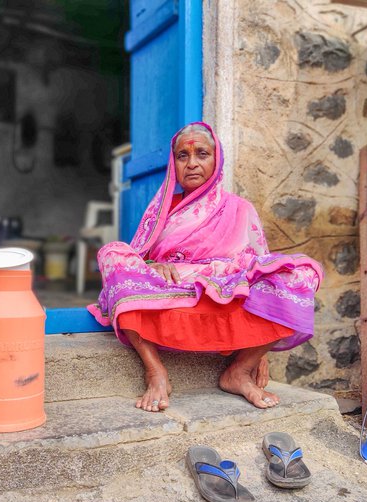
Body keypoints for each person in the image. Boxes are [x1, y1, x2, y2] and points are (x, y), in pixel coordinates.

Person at [88, 122, 323, 412]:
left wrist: (261, 348)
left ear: (217, 159)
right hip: (170, 289)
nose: (192, 163)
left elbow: (258, 265)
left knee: (300, 273)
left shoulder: (239, 208)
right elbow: (138, 253)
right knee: (113, 253)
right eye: (182, 156)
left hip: (223, 292)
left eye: (202, 153)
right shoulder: (162, 206)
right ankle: (155, 371)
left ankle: (239, 370)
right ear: (174, 163)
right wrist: (153, 264)